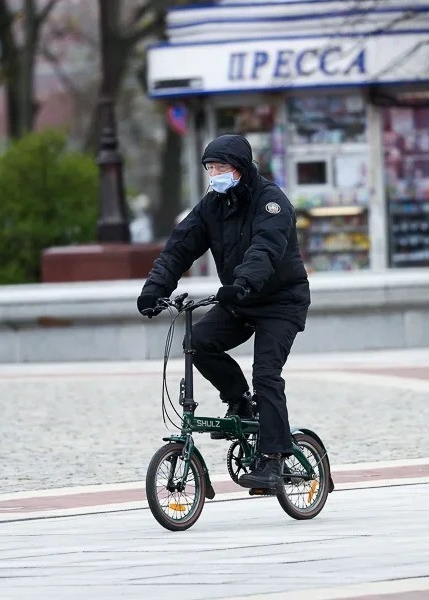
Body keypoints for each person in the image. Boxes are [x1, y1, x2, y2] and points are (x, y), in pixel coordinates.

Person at [136, 134, 310, 492]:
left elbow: (266, 248)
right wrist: (155, 288)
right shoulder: (212, 205)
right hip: (240, 299)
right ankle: (239, 401)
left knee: (266, 373)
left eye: (221, 167)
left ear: (242, 170)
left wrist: (243, 281)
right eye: (210, 168)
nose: (214, 174)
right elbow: (179, 248)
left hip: (280, 302)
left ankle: (273, 461)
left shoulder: (272, 203)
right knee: (197, 342)